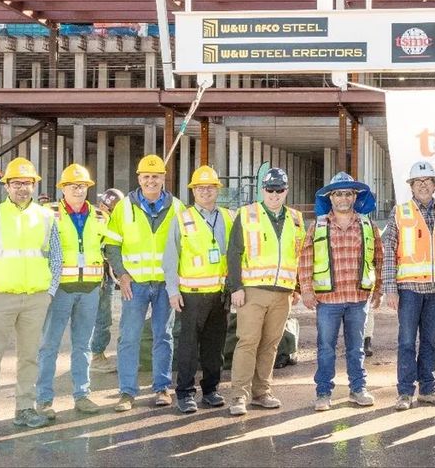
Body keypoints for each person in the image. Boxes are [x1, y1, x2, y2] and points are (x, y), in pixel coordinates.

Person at [0, 157, 62, 436]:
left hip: (35, 298)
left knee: (29, 357)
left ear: (35, 185)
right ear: (7, 185)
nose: (22, 188)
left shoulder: (46, 217)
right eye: (17, 183)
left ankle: (24, 409)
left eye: (27, 183)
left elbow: (56, 257)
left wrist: (49, 291)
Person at [35, 164, 119, 420]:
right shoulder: (47, 214)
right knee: (49, 345)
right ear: (63, 188)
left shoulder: (99, 216)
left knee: (82, 346)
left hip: (90, 290)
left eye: (82, 186)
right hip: (59, 290)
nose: (78, 190)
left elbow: (112, 246)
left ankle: (82, 395)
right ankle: (44, 399)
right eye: (73, 186)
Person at [104, 154, 183, 412]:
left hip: (164, 284)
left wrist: (177, 282)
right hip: (134, 284)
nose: (151, 181)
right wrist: (122, 274)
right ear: (139, 178)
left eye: (156, 176)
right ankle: (127, 392)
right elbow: (112, 245)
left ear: (163, 178)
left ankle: (162, 387)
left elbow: (185, 247)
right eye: (146, 176)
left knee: (164, 336)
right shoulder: (124, 207)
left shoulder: (178, 208)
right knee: (129, 337)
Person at [299, 172, 383, 412]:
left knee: (356, 348)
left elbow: (378, 257)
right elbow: (305, 259)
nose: (343, 198)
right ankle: (323, 392)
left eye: (348, 193)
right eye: (338, 194)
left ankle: (358, 389)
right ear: (331, 198)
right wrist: (306, 290)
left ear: (355, 197)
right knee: (325, 348)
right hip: (329, 300)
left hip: (358, 299)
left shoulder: (368, 225)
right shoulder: (319, 225)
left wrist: (377, 291)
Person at [226, 167, 304, 416]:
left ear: (286, 191)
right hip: (252, 291)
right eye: (270, 190)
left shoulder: (296, 219)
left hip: (283, 293)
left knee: (270, 345)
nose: (274, 195)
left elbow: (299, 255)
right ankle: (239, 395)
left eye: (279, 190)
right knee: (248, 342)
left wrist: (298, 287)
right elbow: (234, 252)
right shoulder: (247, 215)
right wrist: (236, 287)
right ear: (262, 190)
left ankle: (262, 392)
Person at [382, 160, 435, 411]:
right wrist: (390, 288)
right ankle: (404, 392)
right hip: (409, 290)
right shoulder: (400, 212)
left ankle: (428, 388)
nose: (423, 186)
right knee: (406, 342)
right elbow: (388, 252)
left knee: (430, 342)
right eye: (418, 182)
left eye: (428, 182)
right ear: (411, 186)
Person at [163, 165, 233, 414]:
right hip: (190, 294)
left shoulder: (227, 217)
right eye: (200, 188)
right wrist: (173, 291)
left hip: (219, 293)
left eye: (210, 187)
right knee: (189, 347)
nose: (205, 192)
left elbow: (234, 256)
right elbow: (170, 258)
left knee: (215, 346)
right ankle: (185, 392)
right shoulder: (181, 219)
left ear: (217, 190)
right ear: (193, 191)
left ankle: (211, 390)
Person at [91, 188, 124, 374]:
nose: (101, 207)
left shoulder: (103, 220)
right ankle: (96, 356)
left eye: (105, 205)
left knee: (100, 317)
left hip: (102, 274)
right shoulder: (105, 221)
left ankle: (97, 354)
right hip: (100, 274)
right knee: (101, 317)